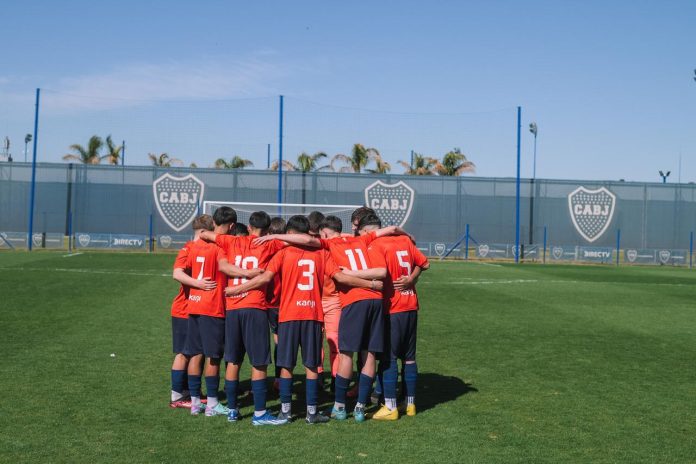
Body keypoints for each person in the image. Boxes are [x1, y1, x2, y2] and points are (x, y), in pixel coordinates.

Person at [254, 216, 410, 422]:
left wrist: (236, 289)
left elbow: (268, 276)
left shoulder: (309, 248)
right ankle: (346, 409)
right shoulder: (357, 241)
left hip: (300, 311)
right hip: (354, 304)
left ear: (324, 233)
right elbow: (388, 236)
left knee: (301, 361)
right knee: (365, 354)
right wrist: (373, 284)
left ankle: (304, 409)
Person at [201, 211, 287, 426]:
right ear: (267, 231)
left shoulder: (231, 241)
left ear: (248, 227)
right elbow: (301, 241)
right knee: (259, 362)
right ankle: (259, 414)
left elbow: (204, 234)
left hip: (232, 308)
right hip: (255, 307)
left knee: (233, 360)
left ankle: (232, 410)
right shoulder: (269, 244)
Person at [351, 213, 429, 420]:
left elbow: (380, 272)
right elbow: (423, 263)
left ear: (368, 231)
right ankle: (410, 404)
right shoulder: (404, 240)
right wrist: (411, 278)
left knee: (389, 358)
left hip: (391, 306)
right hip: (411, 304)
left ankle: (391, 407)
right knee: (410, 358)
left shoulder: (375, 245)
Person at [183, 208, 234, 416]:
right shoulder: (221, 246)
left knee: (196, 353)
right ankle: (212, 403)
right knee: (213, 357)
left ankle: (195, 402)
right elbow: (226, 268)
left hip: (194, 304)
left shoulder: (193, 246)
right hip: (213, 307)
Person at [169, 214, 216, 408]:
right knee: (183, 353)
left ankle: (189, 392)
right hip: (184, 309)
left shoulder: (205, 248)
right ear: (206, 231)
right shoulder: (188, 248)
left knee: (196, 352)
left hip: (197, 308)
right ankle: (177, 396)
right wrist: (198, 284)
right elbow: (176, 273)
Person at [266, 217, 286, 390]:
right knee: (282, 339)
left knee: (276, 340)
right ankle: (280, 377)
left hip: (267, 302)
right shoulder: (288, 247)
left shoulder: (264, 247)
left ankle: (277, 377)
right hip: (284, 301)